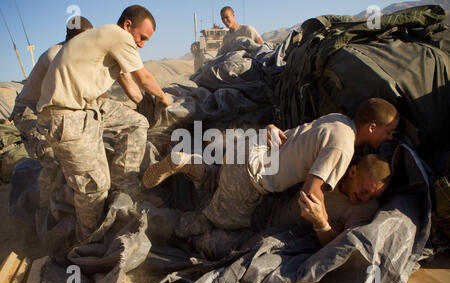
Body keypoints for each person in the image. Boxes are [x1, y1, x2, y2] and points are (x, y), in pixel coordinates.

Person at [142, 98, 398, 246]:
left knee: (220, 178)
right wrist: (325, 225)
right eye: (388, 132)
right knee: (221, 221)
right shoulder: (343, 148)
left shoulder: (337, 120)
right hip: (254, 176)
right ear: (373, 127)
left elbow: (295, 141)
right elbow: (310, 194)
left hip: (251, 149)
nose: (389, 138)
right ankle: (172, 227)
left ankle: (188, 162)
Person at [36, 5, 170, 243]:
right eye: (142, 37)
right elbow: (144, 79)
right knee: (94, 189)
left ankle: (124, 181)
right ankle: (88, 245)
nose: (142, 44)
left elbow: (130, 85)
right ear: (128, 26)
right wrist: (164, 98)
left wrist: (146, 105)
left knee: (136, 123)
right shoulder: (117, 36)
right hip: (67, 116)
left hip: (87, 109)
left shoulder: (105, 44)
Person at [191, 153, 392, 260]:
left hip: (278, 237)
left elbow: (340, 251)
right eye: (365, 190)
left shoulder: (365, 210)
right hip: (269, 208)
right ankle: (197, 170)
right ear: (353, 172)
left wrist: (321, 224)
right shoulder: (330, 172)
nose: (366, 198)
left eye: (374, 195)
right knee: (222, 193)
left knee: (211, 243)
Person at [11, 16, 94, 158]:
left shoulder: (79, 54)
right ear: (69, 37)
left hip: (50, 111)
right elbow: (70, 91)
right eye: (82, 39)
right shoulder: (54, 57)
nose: (86, 44)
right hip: (29, 112)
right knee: (50, 151)